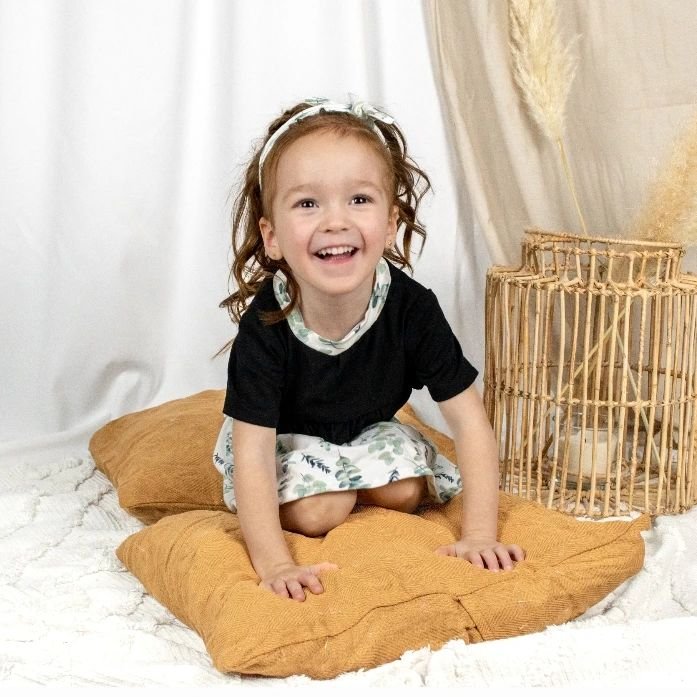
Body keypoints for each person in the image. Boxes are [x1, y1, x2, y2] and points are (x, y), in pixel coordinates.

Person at [214, 97, 524, 602]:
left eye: (359, 199)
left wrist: (480, 535)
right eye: (307, 204)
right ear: (272, 237)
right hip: (288, 439)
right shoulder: (266, 327)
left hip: (365, 429)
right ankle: (335, 491)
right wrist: (275, 564)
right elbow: (253, 452)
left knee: (404, 491)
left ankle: (359, 479)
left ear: (391, 222)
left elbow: (469, 420)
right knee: (323, 508)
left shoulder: (412, 309)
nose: (335, 221)